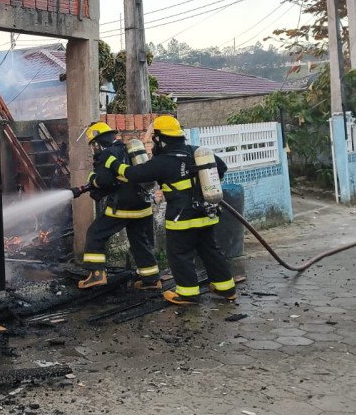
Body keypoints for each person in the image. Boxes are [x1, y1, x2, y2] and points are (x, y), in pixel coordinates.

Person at [104, 115, 236, 306]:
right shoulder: (196, 152)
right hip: (206, 215)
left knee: (179, 254)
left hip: (181, 219)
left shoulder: (163, 161)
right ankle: (227, 289)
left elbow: (134, 174)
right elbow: (221, 167)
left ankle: (188, 294)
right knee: (210, 251)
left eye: (154, 139)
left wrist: (112, 163)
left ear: (160, 139)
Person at [70, 122, 161, 291]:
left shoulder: (108, 154)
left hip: (123, 206)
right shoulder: (128, 149)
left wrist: (92, 180)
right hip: (143, 206)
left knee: (95, 234)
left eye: (93, 145)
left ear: (97, 143)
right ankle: (151, 280)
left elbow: (104, 181)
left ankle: (97, 274)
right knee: (140, 242)